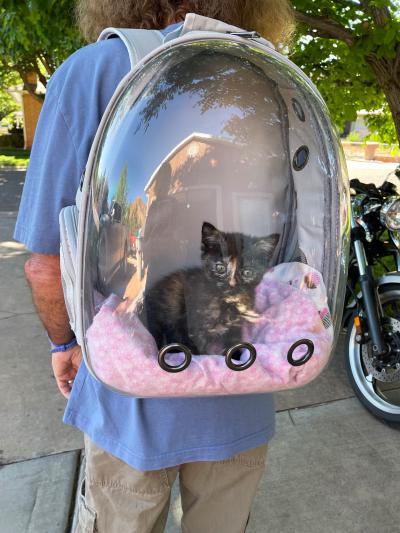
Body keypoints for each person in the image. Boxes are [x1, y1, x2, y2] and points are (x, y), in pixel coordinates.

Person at [14, 2, 295, 531]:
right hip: (241, 386)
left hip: (130, 397)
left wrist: (64, 345)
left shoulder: (93, 71)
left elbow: (45, 268)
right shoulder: (266, 75)